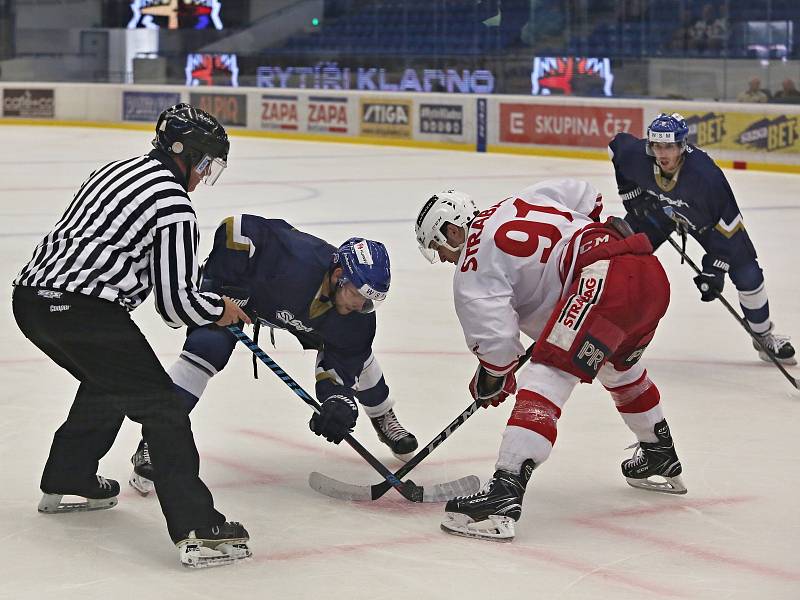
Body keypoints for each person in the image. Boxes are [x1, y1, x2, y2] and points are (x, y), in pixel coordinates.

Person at [12, 103, 253, 568]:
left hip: (31, 302)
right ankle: (199, 527)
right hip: (83, 311)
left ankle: (70, 474)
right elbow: (176, 304)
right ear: (183, 153)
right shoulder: (174, 206)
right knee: (161, 409)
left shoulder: (115, 171)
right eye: (203, 164)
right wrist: (220, 311)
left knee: (108, 381)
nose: (203, 177)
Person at [414, 180, 686, 542]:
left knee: (545, 375)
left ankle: (503, 494)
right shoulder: (518, 200)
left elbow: (497, 348)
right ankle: (658, 452)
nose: (445, 258)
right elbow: (587, 195)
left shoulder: (472, 265)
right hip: (646, 272)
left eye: (438, 245)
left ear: (451, 229)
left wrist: (493, 378)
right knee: (618, 368)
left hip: (601, 282)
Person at [128, 214, 418, 496]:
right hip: (244, 302)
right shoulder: (297, 257)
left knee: (359, 356)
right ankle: (153, 440)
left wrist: (336, 399)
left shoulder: (357, 316)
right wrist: (224, 284)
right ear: (339, 276)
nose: (362, 305)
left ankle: (381, 416)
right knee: (206, 350)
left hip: (304, 318)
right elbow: (236, 228)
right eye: (359, 295)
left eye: (370, 301)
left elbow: (340, 365)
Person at [609, 113, 795, 364]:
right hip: (657, 211)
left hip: (706, 223)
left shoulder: (706, 176)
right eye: (657, 146)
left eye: (670, 146)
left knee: (748, 273)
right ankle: (602, 327)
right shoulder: (638, 155)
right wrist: (630, 194)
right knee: (618, 255)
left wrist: (715, 270)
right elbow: (618, 146)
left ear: (682, 146)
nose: (662, 154)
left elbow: (727, 227)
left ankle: (763, 335)